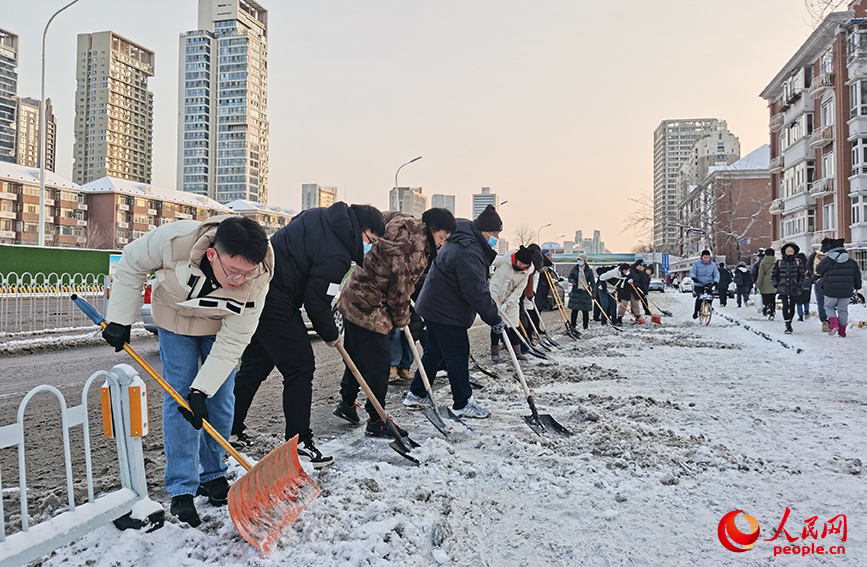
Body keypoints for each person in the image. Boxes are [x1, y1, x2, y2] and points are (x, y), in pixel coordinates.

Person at [101, 216, 272, 527]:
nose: (240, 281)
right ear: (211, 255)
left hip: (220, 324)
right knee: (180, 397)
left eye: (248, 273)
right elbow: (131, 262)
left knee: (219, 397)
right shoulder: (175, 241)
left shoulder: (259, 277)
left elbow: (235, 340)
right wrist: (120, 318)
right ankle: (182, 488)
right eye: (233, 272)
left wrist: (202, 389)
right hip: (174, 319)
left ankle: (214, 474)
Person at [231, 202, 385, 468]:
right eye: (370, 240)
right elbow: (316, 301)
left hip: (260, 290)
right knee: (301, 366)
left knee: (256, 365)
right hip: (277, 299)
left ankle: (229, 428)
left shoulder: (320, 216)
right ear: (361, 229)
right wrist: (331, 333)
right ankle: (299, 442)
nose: (368, 246)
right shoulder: (337, 253)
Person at [334, 208, 455, 436]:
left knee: (357, 355)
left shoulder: (403, 221)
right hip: (370, 305)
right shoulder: (415, 252)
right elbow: (399, 293)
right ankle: (377, 419)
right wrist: (402, 320)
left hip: (352, 292)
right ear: (431, 229)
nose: (442, 243)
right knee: (380, 363)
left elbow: (383, 218)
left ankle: (347, 404)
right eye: (442, 237)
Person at [402, 205, 505, 418]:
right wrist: (493, 318)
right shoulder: (468, 250)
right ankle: (463, 402)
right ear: (483, 231)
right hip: (445, 309)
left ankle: (416, 393)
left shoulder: (463, 240)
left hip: (436, 305)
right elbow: (476, 291)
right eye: (494, 234)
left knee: (435, 352)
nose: (495, 239)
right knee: (457, 354)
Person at [489, 245, 535, 363]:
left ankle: (517, 352)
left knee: (514, 325)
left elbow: (518, 290)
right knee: (496, 324)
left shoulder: (526, 273)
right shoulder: (503, 261)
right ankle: (495, 352)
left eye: (526, 265)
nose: (523, 266)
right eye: (521, 263)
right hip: (495, 295)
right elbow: (486, 262)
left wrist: (508, 303)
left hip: (511, 300)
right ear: (516, 259)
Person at [816, 239, 862, 337]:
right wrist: (857, 287)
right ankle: (842, 332)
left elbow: (819, 270)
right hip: (846, 291)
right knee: (843, 310)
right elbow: (857, 276)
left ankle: (834, 324)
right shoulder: (851, 262)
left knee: (828, 307)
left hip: (830, 289)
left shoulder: (827, 260)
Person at [771, 243, 805, 334]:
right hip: (783, 287)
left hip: (794, 287)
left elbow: (802, 275)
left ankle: (790, 320)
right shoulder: (779, 262)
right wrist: (775, 284)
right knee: (785, 306)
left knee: (792, 306)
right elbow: (774, 274)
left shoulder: (798, 262)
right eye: (788, 251)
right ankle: (787, 324)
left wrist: (800, 284)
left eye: (791, 251)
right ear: (784, 252)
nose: (789, 253)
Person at [567, 254, 596, 331]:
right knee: (574, 310)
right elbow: (570, 277)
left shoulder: (589, 271)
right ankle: (573, 325)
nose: (579, 261)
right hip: (576, 291)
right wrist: (572, 281)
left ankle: (585, 326)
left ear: (585, 261)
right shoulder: (575, 269)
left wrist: (594, 291)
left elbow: (592, 282)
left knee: (585, 310)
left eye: (581, 260)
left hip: (585, 292)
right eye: (578, 260)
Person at [689, 250, 720, 319]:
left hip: (708, 284)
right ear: (702, 257)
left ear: (710, 258)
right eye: (705, 257)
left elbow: (716, 274)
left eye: (708, 257)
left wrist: (715, 281)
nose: (706, 259)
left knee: (710, 296)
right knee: (700, 297)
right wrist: (694, 277)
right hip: (699, 284)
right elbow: (692, 271)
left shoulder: (713, 265)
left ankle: (709, 306)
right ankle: (696, 312)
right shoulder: (696, 264)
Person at [808, 239, 831, 331]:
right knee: (831, 301)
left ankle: (824, 320)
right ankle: (832, 320)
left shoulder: (815, 254)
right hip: (831, 281)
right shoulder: (832, 255)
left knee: (821, 301)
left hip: (818, 281)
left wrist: (813, 276)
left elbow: (809, 267)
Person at [756, 248, 778, 320]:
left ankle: (767, 308)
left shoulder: (763, 262)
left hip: (765, 282)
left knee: (765, 298)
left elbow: (760, 274)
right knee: (772, 297)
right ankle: (772, 311)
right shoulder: (776, 261)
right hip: (774, 280)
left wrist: (758, 284)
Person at [795, 251, 812, 322]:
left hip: (799, 285)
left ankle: (800, 315)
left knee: (799, 301)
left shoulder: (797, 265)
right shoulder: (808, 266)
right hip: (808, 285)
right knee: (806, 300)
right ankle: (807, 312)